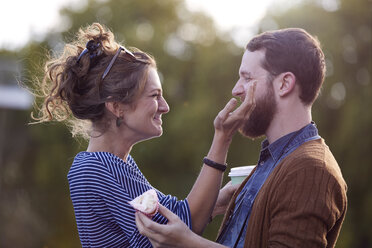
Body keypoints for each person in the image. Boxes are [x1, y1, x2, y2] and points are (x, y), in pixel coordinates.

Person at [31, 23, 256, 247]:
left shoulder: (113, 164)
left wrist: (216, 203)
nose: (165, 106)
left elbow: (175, 217)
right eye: (154, 96)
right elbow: (182, 227)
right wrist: (223, 136)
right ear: (117, 106)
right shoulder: (99, 168)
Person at [135, 28, 348, 248]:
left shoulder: (310, 169)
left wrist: (188, 243)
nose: (236, 89)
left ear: (284, 84)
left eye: (247, 78)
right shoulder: (275, 162)